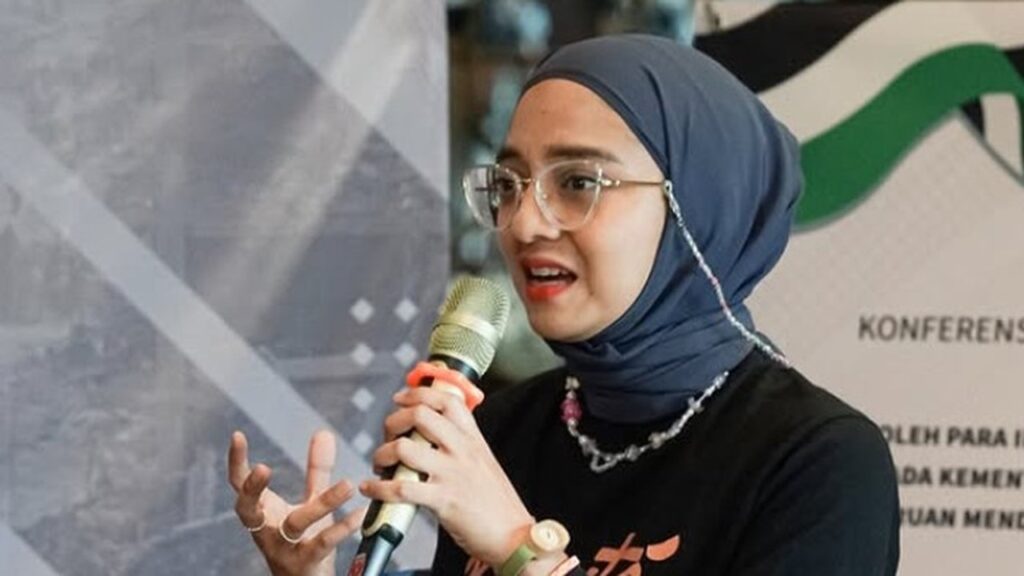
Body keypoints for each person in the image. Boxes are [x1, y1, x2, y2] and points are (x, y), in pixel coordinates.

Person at [228, 34, 900, 576]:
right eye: (511, 183)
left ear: (696, 204)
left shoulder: (817, 460)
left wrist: (518, 548)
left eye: (579, 181)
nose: (524, 224)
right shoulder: (506, 428)